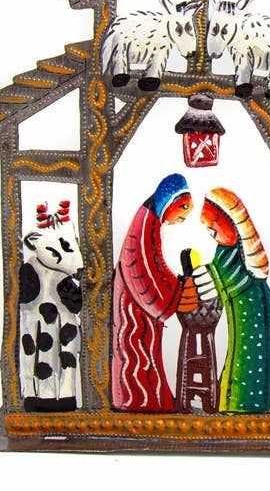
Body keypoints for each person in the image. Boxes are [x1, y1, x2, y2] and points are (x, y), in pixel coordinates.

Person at [111, 173, 193, 411]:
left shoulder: (151, 225)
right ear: (169, 202)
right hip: (135, 309)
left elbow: (155, 263)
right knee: (137, 355)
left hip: (142, 310)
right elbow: (144, 268)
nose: (184, 217)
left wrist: (176, 284)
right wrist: (178, 288)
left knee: (148, 352)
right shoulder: (144, 228)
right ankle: (138, 400)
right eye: (183, 208)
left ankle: (154, 399)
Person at [195, 188, 270, 413]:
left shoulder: (243, 259)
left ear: (233, 223)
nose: (210, 230)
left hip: (253, 319)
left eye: (214, 223)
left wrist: (208, 274)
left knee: (249, 364)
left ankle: (244, 406)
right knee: (235, 361)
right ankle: (230, 402)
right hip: (240, 319)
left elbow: (234, 283)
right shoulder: (223, 252)